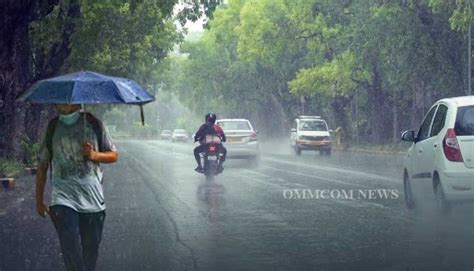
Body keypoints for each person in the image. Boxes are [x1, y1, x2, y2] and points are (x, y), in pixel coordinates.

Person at [36, 104, 118, 271]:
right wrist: (39, 200)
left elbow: (113, 155)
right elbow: (43, 165)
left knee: (90, 254)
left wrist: (94, 155)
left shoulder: (94, 123)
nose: (62, 103)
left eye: (67, 100)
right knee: (71, 250)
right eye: (59, 100)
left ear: (77, 103)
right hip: (62, 199)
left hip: (93, 200)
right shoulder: (53, 127)